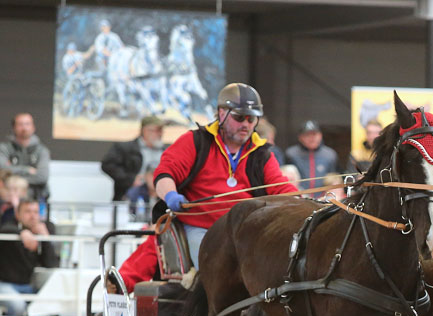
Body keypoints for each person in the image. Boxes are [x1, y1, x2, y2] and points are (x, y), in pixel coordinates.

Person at [153, 82, 298, 267]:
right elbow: (165, 174)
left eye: (252, 119)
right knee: (217, 269)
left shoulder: (261, 153)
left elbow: (280, 187)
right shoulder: (195, 141)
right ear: (222, 113)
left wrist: (305, 202)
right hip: (201, 229)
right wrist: (170, 195)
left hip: (246, 233)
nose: (246, 124)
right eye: (240, 117)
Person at [0, 199, 58, 316]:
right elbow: (5, 229)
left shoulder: (43, 229)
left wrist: (45, 238)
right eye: (27, 212)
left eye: (35, 212)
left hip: (28, 285)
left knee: (51, 303)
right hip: (4, 284)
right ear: (17, 214)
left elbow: (51, 264)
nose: (32, 216)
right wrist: (22, 232)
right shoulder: (10, 227)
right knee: (18, 306)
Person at [101, 115, 167, 202]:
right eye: (156, 130)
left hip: (159, 199)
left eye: (161, 130)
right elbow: (107, 165)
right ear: (145, 131)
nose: (160, 134)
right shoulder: (125, 148)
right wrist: (131, 179)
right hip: (129, 198)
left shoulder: (166, 151)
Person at [0, 113, 50, 202]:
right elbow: (2, 169)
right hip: (7, 198)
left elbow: (42, 177)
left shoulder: (42, 151)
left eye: (27, 124)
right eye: (20, 124)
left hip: (35, 198)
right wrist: (27, 170)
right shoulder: (4, 148)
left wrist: (13, 175)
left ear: (33, 127)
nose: (24, 128)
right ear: (14, 128)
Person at [284, 120, 338, 192]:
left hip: (323, 198)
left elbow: (334, 179)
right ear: (300, 137)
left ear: (320, 135)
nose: (312, 138)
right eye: (307, 135)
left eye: (314, 134)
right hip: (299, 197)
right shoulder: (291, 154)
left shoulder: (330, 154)